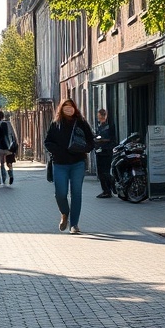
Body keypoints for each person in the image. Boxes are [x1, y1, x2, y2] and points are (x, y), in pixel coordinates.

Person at [44, 98, 94, 234]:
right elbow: (47, 142)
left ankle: (74, 225)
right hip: (60, 164)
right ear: (61, 108)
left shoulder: (82, 123)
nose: (69, 109)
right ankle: (65, 213)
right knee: (60, 193)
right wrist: (59, 150)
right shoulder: (56, 124)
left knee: (76, 194)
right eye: (66, 107)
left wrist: (83, 148)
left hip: (78, 163)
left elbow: (91, 141)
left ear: (75, 108)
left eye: (71, 106)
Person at [0, 110, 17, 187]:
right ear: (3, 116)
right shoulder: (8, 124)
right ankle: (10, 172)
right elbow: (13, 135)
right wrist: (14, 145)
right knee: (9, 162)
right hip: (8, 146)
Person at [93, 109, 116, 198]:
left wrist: (100, 139)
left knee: (104, 172)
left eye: (100, 116)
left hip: (106, 150)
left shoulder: (108, 126)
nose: (99, 118)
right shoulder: (99, 126)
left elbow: (110, 138)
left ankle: (108, 188)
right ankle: (106, 190)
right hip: (100, 150)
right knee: (101, 172)